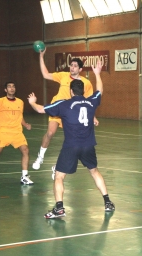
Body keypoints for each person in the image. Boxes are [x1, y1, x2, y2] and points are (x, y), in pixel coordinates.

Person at [28, 60, 115, 219]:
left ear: (71, 91)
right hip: (89, 145)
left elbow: (41, 109)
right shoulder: (91, 102)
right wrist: (97, 73)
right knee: (94, 171)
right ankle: (108, 202)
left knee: (59, 176)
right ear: (83, 90)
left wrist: (33, 102)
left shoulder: (64, 105)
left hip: (71, 146)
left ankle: (59, 208)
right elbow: (100, 90)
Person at [32, 49, 98, 170]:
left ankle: (57, 167)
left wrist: (92, 116)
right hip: (59, 109)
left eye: (75, 66)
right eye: (71, 65)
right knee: (50, 133)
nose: (72, 68)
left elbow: (89, 101)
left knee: (72, 141)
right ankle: (40, 157)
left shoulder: (86, 83)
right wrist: (41, 57)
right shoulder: (63, 75)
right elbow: (46, 74)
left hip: (72, 113)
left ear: (80, 69)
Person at [0, 82, 33, 186]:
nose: (12, 88)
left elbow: (20, 116)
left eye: (13, 86)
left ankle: (25, 176)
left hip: (17, 132)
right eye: (9, 87)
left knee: (25, 150)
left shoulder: (20, 102)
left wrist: (25, 124)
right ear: (5, 90)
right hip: (3, 132)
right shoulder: (0, 101)